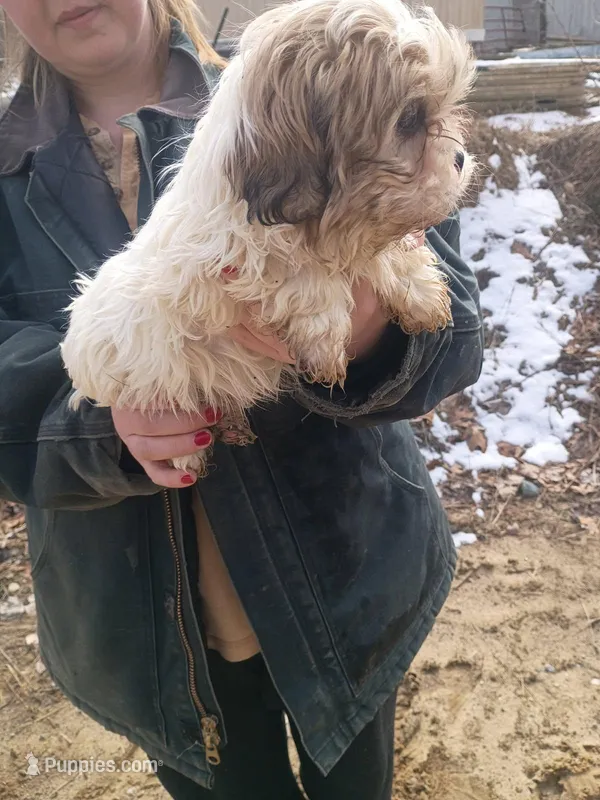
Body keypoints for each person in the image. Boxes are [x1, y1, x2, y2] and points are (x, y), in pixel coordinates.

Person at [0, 2, 484, 798]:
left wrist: (368, 336)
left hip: (348, 586)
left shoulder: (321, 81)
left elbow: (453, 323)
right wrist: (100, 421)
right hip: (145, 638)